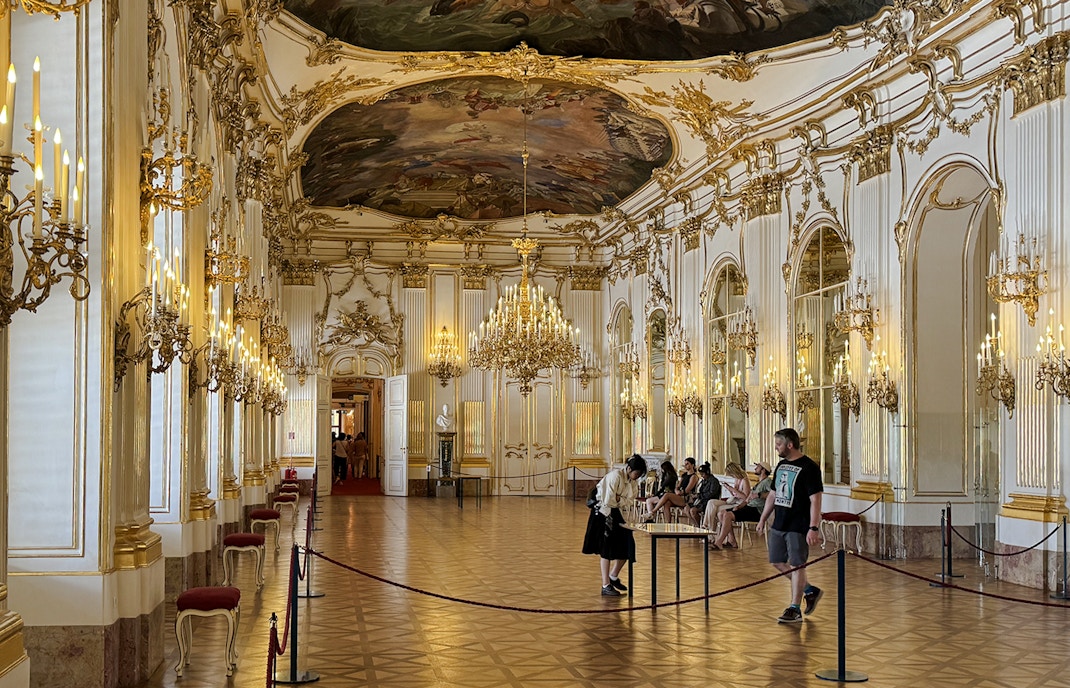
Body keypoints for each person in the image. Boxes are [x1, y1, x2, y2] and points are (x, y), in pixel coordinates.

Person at [756, 428, 824, 623]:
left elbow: (816, 499)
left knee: (797, 565)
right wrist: (763, 518)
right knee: (777, 561)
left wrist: (813, 527)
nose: (776, 448)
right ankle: (809, 590)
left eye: (779, 444)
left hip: (798, 524)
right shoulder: (781, 464)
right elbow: (773, 494)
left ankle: (795, 608)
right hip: (780, 522)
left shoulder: (809, 467)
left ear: (790, 445)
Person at [582, 455, 647, 596]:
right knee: (606, 548)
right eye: (637, 473)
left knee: (628, 544)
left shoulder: (632, 481)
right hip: (603, 512)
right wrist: (621, 499)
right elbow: (609, 500)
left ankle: (613, 576)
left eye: (640, 474)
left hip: (617, 512)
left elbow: (630, 501)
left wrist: (620, 499)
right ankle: (605, 584)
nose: (638, 476)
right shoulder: (615, 476)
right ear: (629, 469)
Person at [710, 461, 772, 549]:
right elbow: (747, 500)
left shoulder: (767, 481)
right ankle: (732, 541)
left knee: (727, 515)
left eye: (757, 466)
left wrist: (759, 495)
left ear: (763, 470)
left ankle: (718, 542)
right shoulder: (759, 483)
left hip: (757, 510)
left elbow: (773, 494)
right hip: (749, 507)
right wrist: (739, 506)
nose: (755, 468)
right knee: (721, 513)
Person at [641, 457, 698, 523]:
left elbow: (687, 490)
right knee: (667, 503)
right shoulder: (684, 475)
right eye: (685, 464)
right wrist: (676, 490)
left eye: (687, 464)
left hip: (687, 498)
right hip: (679, 495)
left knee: (667, 495)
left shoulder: (693, 476)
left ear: (692, 465)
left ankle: (652, 512)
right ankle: (668, 523)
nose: (685, 465)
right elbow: (678, 486)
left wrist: (679, 492)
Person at [702, 461, 748, 529]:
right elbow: (734, 494)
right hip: (732, 500)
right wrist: (729, 488)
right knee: (711, 502)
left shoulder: (744, 480)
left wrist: (733, 489)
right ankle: (706, 525)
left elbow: (746, 497)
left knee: (717, 509)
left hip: (739, 503)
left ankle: (710, 528)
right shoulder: (736, 479)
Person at [686, 463, 721, 527]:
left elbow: (711, 494)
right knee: (686, 509)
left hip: (707, 502)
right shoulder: (704, 481)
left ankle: (699, 526)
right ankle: (695, 525)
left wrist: (698, 496)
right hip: (701, 501)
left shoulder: (714, 481)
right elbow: (701, 491)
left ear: (707, 473)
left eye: (703, 474)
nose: (702, 476)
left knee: (693, 511)